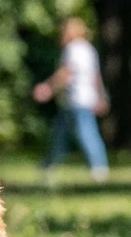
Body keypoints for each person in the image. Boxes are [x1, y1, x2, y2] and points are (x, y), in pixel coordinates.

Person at [33, 18, 109, 181]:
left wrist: (48, 88)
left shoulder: (72, 49)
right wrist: (101, 97)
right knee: (62, 134)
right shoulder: (89, 49)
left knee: (85, 133)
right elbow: (96, 77)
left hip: (75, 99)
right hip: (86, 99)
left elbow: (65, 74)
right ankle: (48, 165)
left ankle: (99, 168)